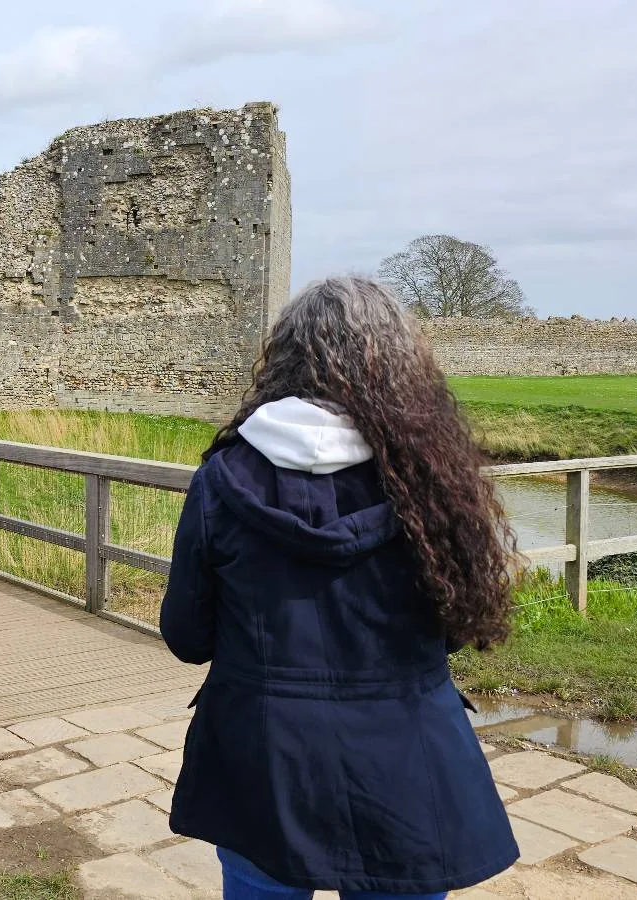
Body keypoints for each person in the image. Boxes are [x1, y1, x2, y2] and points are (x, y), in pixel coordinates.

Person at [160, 276, 520, 899]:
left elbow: (188, 636)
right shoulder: (432, 479)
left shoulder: (224, 476)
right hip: (404, 756)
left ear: (287, 360)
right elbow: (460, 624)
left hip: (265, 758)